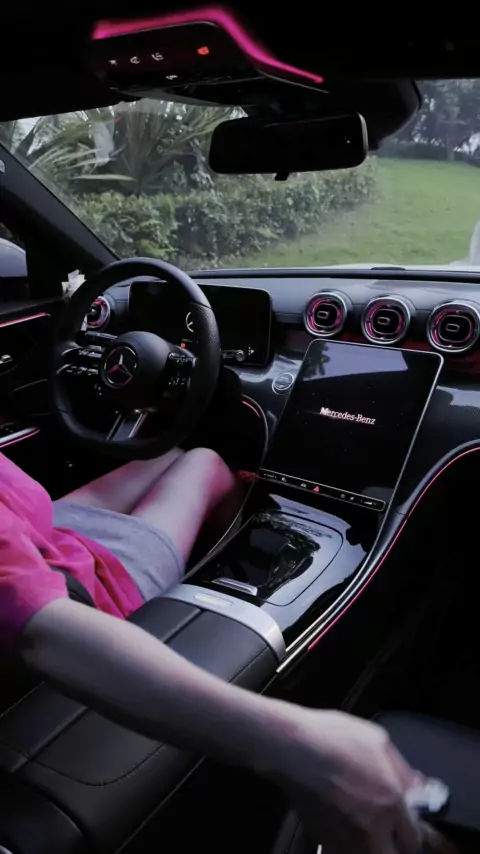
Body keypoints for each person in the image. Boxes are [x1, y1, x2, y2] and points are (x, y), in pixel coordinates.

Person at [0, 448, 424, 854]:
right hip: (88, 584)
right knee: (207, 463)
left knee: (168, 454)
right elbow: (47, 633)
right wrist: (295, 741)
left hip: (37, 536)